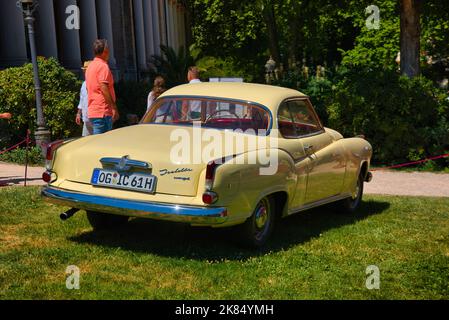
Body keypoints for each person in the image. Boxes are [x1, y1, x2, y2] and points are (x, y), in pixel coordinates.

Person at [85, 39, 119, 135]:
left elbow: (89, 89)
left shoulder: (90, 67)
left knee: (98, 143)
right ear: (105, 51)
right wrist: (114, 107)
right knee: (103, 145)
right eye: (108, 50)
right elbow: (103, 87)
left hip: (93, 110)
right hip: (103, 111)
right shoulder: (103, 66)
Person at [76, 61, 93, 136]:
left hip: (96, 118)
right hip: (86, 119)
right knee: (86, 140)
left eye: (86, 70)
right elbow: (81, 101)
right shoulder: (84, 84)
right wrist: (78, 114)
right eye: (84, 70)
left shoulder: (96, 83)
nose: (84, 72)